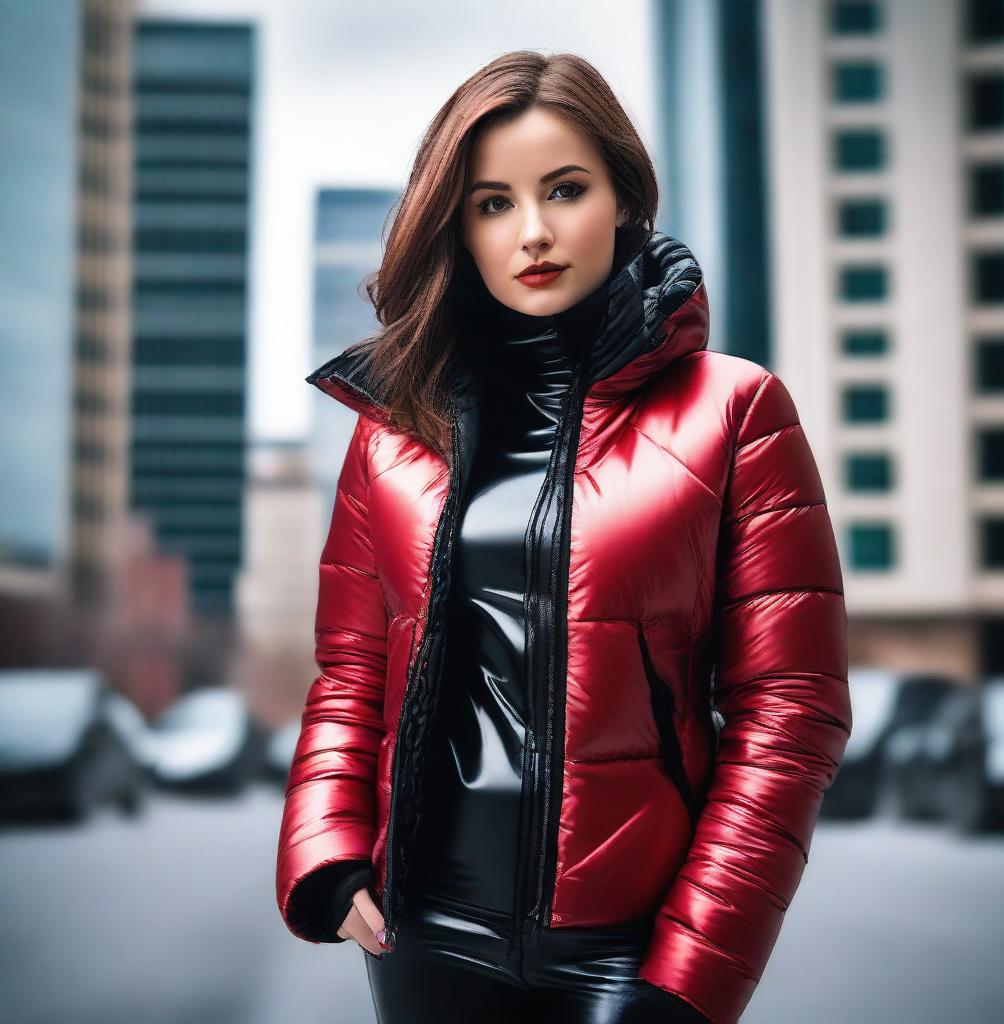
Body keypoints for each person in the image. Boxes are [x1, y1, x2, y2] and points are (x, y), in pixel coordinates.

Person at [275, 50, 852, 1024]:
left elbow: (789, 713)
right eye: (492, 203)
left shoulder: (734, 409)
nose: (532, 232)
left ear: (623, 198)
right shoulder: (394, 428)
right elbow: (349, 671)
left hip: (630, 948)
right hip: (425, 931)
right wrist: (326, 851)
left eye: (565, 190)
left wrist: (693, 971)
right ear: (456, 226)